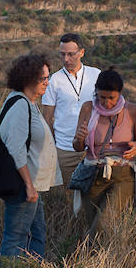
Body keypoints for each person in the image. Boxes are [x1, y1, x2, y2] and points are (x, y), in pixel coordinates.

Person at [0, 53, 58, 258]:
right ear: (28, 79)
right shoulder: (20, 105)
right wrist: (29, 185)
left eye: (48, 78)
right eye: (43, 79)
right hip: (23, 186)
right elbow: (15, 147)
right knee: (16, 239)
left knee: (37, 232)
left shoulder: (29, 104)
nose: (47, 83)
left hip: (30, 185)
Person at [72, 68, 136, 238]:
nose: (106, 103)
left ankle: (88, 258)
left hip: (122, 174)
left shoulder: (132, 111)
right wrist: (80, 138)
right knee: (92, 224)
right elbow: (77, 146)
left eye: (111, 98)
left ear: (120, 93)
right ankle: (93, 260)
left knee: (102, 224)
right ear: (96, 93)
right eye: (101, 97)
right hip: (93, 174)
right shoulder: (88, 108)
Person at [41, 33, 101, 190]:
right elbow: (47, 118)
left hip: (93, 149)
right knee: (69, 197)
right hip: (65, 150)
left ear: (82, 52)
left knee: (93, 194)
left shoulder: (96, 75)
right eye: (62, 54)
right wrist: (53, 148)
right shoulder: (53, 80)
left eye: (71, 54)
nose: (66, 59)